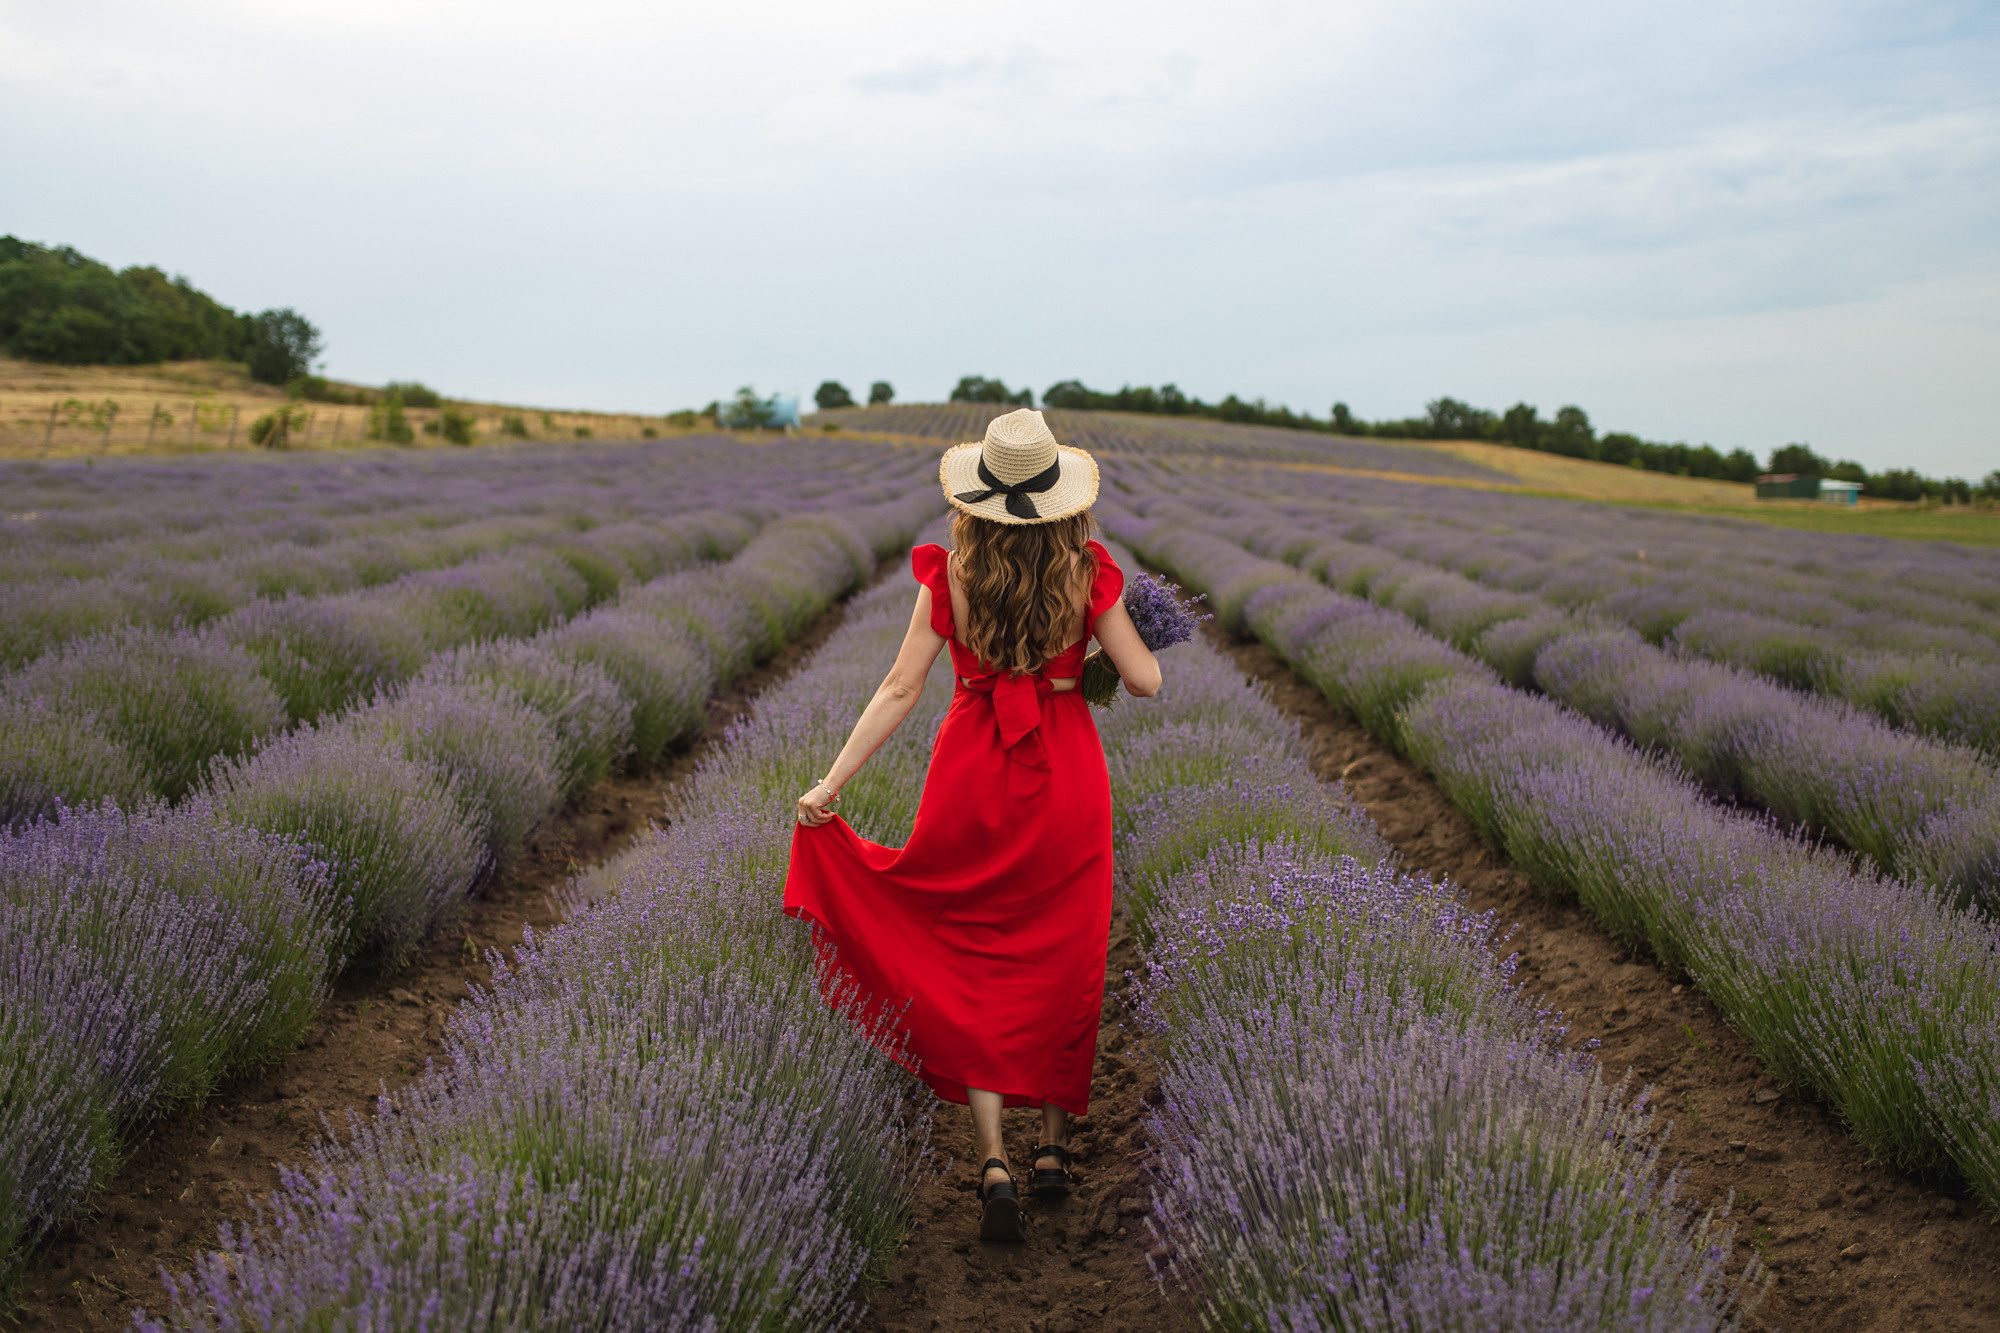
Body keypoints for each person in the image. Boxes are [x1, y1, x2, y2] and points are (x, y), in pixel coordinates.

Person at [783, 408, 1162, 1243]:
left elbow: (899, 687)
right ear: (1059, 497)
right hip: (1062, 774)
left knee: (974, 950)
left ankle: (993, 1159)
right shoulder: (1089, 573)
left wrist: (832, 782)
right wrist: (1108, 650)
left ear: (979, 495)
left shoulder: (948, 573)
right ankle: (1056, 1152)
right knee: (1067, 954)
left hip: (970, 766)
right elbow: (1145, 681)